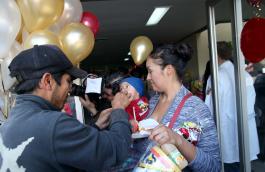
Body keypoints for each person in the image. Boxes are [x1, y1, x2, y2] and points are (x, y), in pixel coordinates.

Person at [0, 45, 132, 172]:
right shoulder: (54, 124)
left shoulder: (10, 122)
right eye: (68, 81)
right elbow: (117, 149)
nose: (70, 89)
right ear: (47, 81)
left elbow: (57, 149)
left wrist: (96, 127)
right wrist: (119, 108)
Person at [119, 43, 221, 171]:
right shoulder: (154, 100)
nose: (148, 77)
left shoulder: (195, 108)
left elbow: (214, 166)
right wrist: (135, 127)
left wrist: (178, 140)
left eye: (150, 71)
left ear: (169, 70)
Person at [205, 41, 259, 172]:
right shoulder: (244, 74)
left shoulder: (216, 77)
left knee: (229, 163)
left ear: (215, 55)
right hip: (246, 128)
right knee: (244, 164)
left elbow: (209, 107)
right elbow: (251, 101)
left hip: (226, 130)